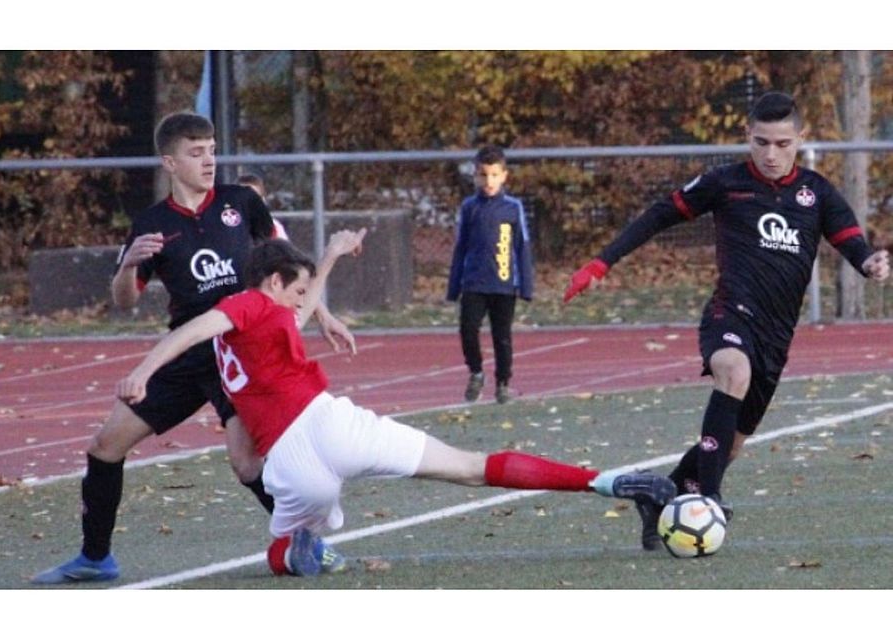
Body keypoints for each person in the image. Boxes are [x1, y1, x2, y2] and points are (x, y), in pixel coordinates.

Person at [115, 233, 677, 577]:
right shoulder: (246, 305)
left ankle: (307, 550)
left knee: (283, 552)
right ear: (272, 282)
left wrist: (329, 259)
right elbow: (196, 328)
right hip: (331, 425)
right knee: (471, 467)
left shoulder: (253, 322)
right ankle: (612, 482)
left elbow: (280, 316)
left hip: (292, 462)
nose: (301, 301)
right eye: (296, 288)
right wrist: (143, 370)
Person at [32, 112, 353, 584]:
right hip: (187, 348)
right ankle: (95, 558)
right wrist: (128, 265)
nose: (209, 161)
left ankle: (312, 543)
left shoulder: (241, 202)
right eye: (196, 152)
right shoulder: (152, 223)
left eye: (212, 151)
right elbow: (124, 300)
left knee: (246, 463)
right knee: (105, 446)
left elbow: (288, 269)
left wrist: (321, 313)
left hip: (240, 349)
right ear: (170, 162)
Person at [563, 91, 890, 551]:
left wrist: (870, 263)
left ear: (801, 138)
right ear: (747, 135)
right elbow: (659, 215)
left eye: (782, 144)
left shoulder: (816, 192)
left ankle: (660, 495)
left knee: (730, 446)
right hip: (730, 312)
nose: (771, 154)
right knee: (733, 371)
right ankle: (709, 499)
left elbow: (852, 242)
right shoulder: (725, 182)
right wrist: (602, 263)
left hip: (777, 335)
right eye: (761, 142)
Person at [447, 145, 534, 404]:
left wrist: (526, 286)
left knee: (502, 336)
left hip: (503, 284)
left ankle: (503, 382)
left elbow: (522, 246)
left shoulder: (513, 208)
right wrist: (454, 286)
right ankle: (476, 372)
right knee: (468, 329)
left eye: (494, 175)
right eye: (483, 175)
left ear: (504, 176)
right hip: (474, 283)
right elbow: (461, 247)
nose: (489, 181)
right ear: (475, 176)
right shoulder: (469, 207)